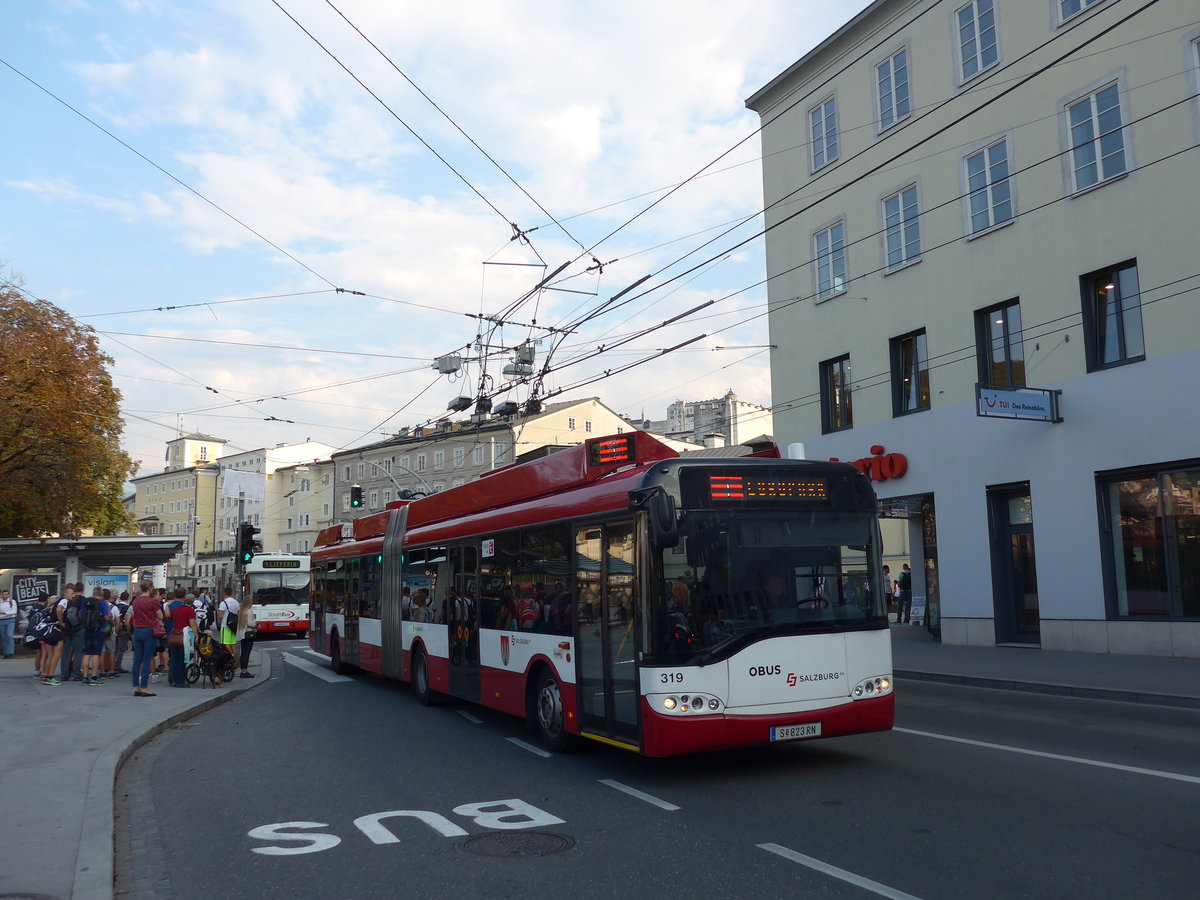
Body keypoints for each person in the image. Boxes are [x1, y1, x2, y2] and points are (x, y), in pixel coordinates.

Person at [130, 581, 163, 696]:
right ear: (150, 588)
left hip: (137, 630)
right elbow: (160, 615)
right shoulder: (152, 601)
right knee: (147, 659)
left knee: (137, 660)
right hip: (149, 630)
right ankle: (144, 687)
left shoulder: (136, 600)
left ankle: (136, 687)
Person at [80, 587, 111, 685]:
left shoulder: (86, 602)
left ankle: (85, 677)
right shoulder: (103, 603)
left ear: (93, 593)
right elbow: (106, 616)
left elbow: (81, 614)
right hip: (99, 630)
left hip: (87, 630)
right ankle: (94, 677)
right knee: (96, 654)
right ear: (101, 594)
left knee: (87, 653)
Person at [167, 587, 196, 687]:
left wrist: (167, 605)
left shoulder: (176, 609)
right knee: (183, 659)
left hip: (175, 635)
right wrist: (196, 635)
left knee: (174, 658)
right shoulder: (190, 610)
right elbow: (192, 624)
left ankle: (173, 679)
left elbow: (168, 616)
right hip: (185, 636)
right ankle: (180, 681)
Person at [57, 584, 85, 682]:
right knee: (78, 651)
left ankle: (64, 674)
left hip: (66, 629)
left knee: (65, 651)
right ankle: (76, 673)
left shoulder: (61, 601)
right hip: (78, 628)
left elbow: (58, 610)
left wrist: (61, 622)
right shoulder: (81, 600)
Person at [218, 587, 240, 663]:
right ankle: (234, 662)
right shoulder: (236, 602)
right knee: (233, 644)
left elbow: (220, 616)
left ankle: (229, 660)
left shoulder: (223, 603)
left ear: (224, 593)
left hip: (225, 626)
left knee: (226, 644)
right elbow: (238, 614)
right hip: (234, 626)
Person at [112, 591, 131, 674]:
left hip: (115, 629)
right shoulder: (127, 608)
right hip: (123, 629)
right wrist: (128, 630)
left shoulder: (116, 606)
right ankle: (118, 665)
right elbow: (127, 621)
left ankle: (112, 664)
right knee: (121, 648)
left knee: (115, 648)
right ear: (127, 598)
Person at [238, 602, 256, 679]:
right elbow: (250, 623)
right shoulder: (249, 611)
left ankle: (242, 670)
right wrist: (255, 623)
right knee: (247, 653)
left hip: (242, 634)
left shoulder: (241, 611)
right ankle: (245, 671)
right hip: (248, 633)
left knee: (243, 653)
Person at [0, 589, 17, 658]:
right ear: (1, 595)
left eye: (6, 594)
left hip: (10, 620)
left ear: (8, 595)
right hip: (1, 620)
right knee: (3, 637)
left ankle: (11, 652)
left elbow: (14, 611)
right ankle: (6, 653)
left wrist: (5, 613)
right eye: (4, 594)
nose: (5, 596)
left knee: (9, 635)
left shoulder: (12, 602)